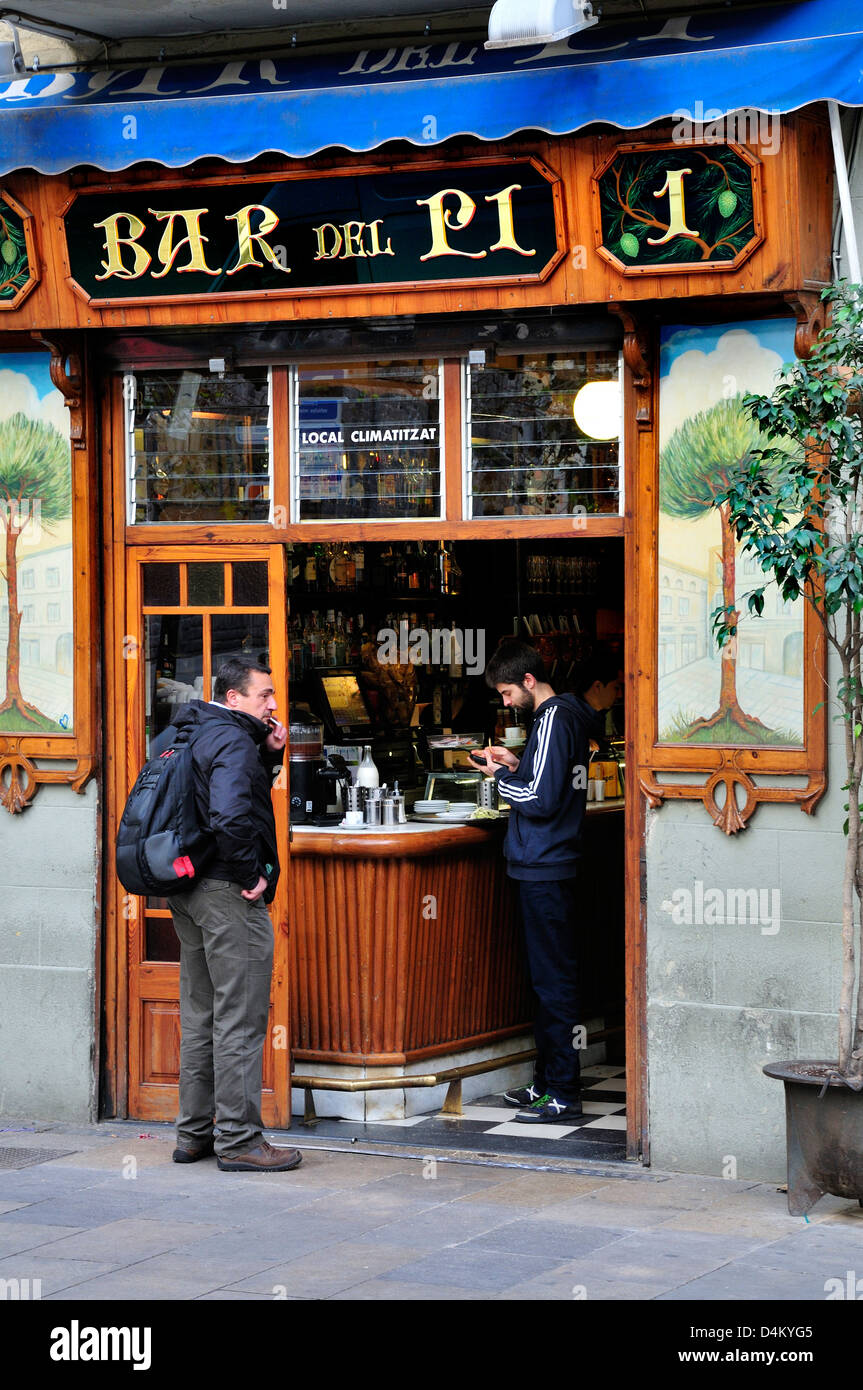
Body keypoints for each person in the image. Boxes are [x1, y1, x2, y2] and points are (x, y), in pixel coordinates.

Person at [158, 655, 303, 1173]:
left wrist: (269, 755)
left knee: (200, 1016)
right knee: (240, 1017)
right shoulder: (233, 739)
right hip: (225, 892)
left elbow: (204, 798)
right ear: (234, 696)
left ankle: (193, 1134)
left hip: (186, 889)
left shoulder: (191, 728)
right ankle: (240, 1140)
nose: (273, 704)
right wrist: (251, 876)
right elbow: (227, 814)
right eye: (265, 694)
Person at [473, 640, 623, 1124]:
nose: (505, 702)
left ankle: (561, 1088)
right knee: (546, 978)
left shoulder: (554, 717)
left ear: (529, 682)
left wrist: (498, 776)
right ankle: (546, 1082)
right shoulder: (566, 716)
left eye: (507, 692)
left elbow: (539, 800)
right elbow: (545, 781)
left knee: (553, 980)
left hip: (545, 863)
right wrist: (518, 765)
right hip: (551, 861)